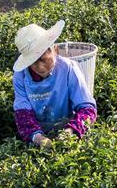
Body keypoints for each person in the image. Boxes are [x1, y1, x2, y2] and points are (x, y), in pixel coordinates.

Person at [12, 20, 97, 149]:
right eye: (33, 62)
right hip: (38, 132)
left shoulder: (68, 68)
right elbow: (23, 113)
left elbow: (87, 109)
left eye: (43, 59)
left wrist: (70, 132)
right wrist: (38, 138)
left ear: (54, 50)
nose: (40, 67)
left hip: (69, 130)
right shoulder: (21, 76)